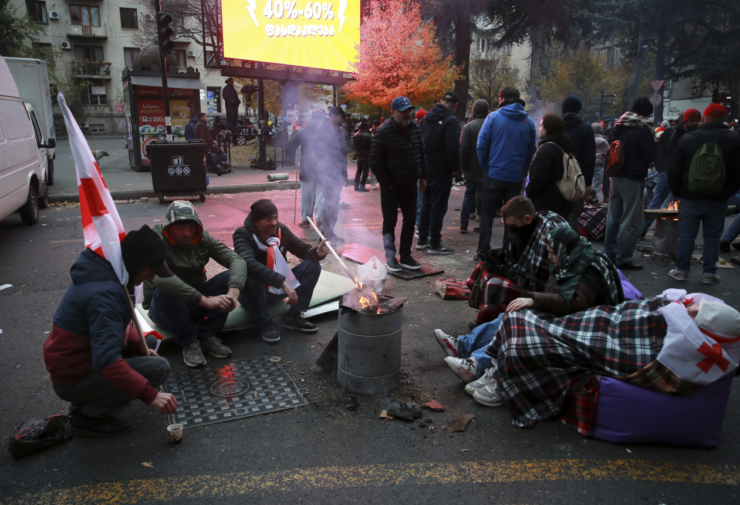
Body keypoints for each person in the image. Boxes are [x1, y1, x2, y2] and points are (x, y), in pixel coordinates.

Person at [468, 290, 740, 433]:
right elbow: (629, 310)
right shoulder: (677, 308)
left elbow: (638, 359)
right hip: (601, 322)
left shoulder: (687, 359)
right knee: (517, 317)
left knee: (526, 332)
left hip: (611, 343)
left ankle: (501, 377)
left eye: (692, 314)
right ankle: (490, 365)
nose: (686, 311)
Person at [437, 227, 624, 403]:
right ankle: (463, 346)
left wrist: (535, 301)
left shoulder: (588, 269)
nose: (549, 257)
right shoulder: (567, 262)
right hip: (562, 316)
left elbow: (575, 304)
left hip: (581, 326)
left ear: (563, 250)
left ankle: (478, 364)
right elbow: (554, 294)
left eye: (552, 252)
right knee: (509, 315)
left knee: (517, 323)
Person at [44, 226, 177, 437]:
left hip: (77, 364)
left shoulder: (109, 275)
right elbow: (105, 360)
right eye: (150, 270)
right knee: (159, 368)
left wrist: (138, 346)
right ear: (136, 264)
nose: (152, 277)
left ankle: (91, 398)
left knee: (147, 344)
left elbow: (118, 327)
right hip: (74, 377)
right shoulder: (104, 294)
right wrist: (150, 395)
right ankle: (87, 415)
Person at [143, 201, 247, 367]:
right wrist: (206, 301)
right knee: (166, 290)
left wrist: (233, 294)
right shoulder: (154, 241)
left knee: (230, 277)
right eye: (180, 228)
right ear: (168, 227)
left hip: (194, 303)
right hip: (164, 309)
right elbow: (162, 279)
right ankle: (189, 342)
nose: (187, 233)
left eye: (191, 227)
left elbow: (236, 260)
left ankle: (207, 335)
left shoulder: (201, 237)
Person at [233, 199, 330, 342]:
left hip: (279, 289)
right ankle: (265, 323)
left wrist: (317, 253)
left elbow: (302, 249)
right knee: (250, 273)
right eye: (268, 219)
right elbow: (249, 263)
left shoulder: (280, 230)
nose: (273, 222)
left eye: (275, 217)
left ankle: (294, 316)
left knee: (312, 265)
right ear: (256, 222)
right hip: (254, 295)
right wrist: (283, 283)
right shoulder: (243, 235)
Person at [668, 103, 740, 284]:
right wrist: (728, 192)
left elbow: (674, 170)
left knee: (686, 237)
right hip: (718, 197)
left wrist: (677, 193)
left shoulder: (688, 138)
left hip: (690, 196)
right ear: (724, 118)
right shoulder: (734, 139)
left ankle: (682, 271)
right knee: (713, 237)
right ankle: (709, 273)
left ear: (704, 118)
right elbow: (738, 171)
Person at [468, 196, 570, 325]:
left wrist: (501, 270)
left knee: (494, 284)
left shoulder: (545, 238)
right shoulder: (530, 224)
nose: (511, 229)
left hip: (542, 291)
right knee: (483, 267)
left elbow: (534, 284)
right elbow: (515, 255)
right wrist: (497, 256)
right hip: (525, 275)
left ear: (527, 219)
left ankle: (487, 322)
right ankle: (488, 312)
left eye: (514, 225)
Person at [476, 87, 537, 255]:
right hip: (515, 176)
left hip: (493, 174)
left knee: (487, 214)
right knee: (513, 216)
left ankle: (482, 251)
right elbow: (531, 150)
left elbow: (481, 145)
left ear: (501, 98)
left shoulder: (493, 117)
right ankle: (508, 252)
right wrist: (523, 172)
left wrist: (486, 167)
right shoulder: (529, 122)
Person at [370, 96, 428, 272]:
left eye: (408, 111)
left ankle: (405, 255)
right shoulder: (383, 131)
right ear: (392, 113)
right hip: (392, 187)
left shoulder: (415, 128)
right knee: (390, 221)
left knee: (410, 221)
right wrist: (387, 184)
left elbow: (421, 153)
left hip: (410, 184)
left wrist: (423, 176)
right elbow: (375, 161)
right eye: (402, 112)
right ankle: (390, 257)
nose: (407, 115)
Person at [603, 98, 658, 271]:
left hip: (615, 176)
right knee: (630, 220)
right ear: (647, 113)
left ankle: (608, 254)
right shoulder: (644, 130)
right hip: (633, 178)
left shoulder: (618, 126)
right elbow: (651, 155)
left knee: (613, 219)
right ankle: (624, 258)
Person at [641, 109, 701, 238]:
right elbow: (659, 150)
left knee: (674, 202)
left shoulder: (694, 135)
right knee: (658, 201)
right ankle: (643, 228)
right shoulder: (671, 133)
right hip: (668, 172)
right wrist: (661, 169)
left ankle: (668, 233)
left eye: (697, 120)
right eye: (692, 120)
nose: (695, 123)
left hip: (682, 174)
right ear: (685, 121)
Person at [418, 91, 462, 255]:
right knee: (439, 206)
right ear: (455, 105)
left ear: (440, 100)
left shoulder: (426, 119)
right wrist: (455, 168)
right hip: (442, 169)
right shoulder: (451, 121)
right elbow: (453, 148)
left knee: (426, 204)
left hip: (427, 168)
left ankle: (422, 239)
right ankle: (435, 243)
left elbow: (420, 143)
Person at [309, 106, 350, 243]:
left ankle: (329, 233)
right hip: (327, 173)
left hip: (336, 172)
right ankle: (326, 236)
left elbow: (342, 153)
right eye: (341, 117)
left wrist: (343, 174)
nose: (343, 119)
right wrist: (324, 172)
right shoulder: (322, 131)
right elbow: (317, 153)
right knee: (330, 204)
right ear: (334, 116)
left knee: (333, 204)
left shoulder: (339, 131)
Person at [525, 113, 574, 220]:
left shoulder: (547, 149)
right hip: (562, 201)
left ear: (549, 128)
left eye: (541, 125)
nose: (539, 128)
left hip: (546, 203)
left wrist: (528, 191)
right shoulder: (563, 145)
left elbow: (539, 178)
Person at [561, 95, 596, 230]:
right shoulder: (586, 129)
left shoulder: (555, 126)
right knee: (573, 216)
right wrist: (587, 183)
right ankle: (571, 247)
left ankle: (553, 248)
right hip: (577, 180)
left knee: (555, 215)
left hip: (557, 178)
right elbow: (589, 159)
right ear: (579, 111)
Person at [287, 109, 326, 228]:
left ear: (311, 118)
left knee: (306, 196)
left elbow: (290, 145)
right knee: (320, 195)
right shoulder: (326, 131)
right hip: (322, 167)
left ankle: (305, 219)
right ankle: (319, 220)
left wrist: (295, 133)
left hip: (307, 167)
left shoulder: (303, 131)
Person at [459, 99, 488, 234]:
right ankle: (482, 222)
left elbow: (464, 150)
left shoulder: (469, 127)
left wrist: (463, 167)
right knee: (485, 195)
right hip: (488, 167)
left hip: (471, 166)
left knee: (469, 194)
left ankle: (463, 224)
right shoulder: (491, 125)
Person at [592, 123, 610, 201]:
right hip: (599, 165)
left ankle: (586, 203)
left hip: (588, 165)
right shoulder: (604, 141)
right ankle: (594, 202)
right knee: (596, 186)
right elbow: (608, 155)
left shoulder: (588, 139)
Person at [353, 122, 372, 192]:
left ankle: (356, 185)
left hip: (359, 155)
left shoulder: (355, 135)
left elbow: (354, 146)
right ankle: (362, 186)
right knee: (365, 171)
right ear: (365, 128)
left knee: (359, 170)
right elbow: (370, 145)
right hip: (366, 155)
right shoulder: (367, 135)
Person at [222, 78, 240, 143]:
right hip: (230, 106)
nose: (232, 83)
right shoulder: (226, 89)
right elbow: (225, 97)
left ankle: (234, 138)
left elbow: (236, 97)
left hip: (234, 106)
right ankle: (231, 139)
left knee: (234, 119)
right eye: (231, 82)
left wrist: (238, 102)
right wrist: (230, 101)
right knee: (231, 119)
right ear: (228, 82)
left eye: (233, 82)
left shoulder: (233, 89)